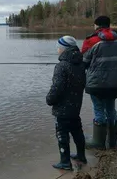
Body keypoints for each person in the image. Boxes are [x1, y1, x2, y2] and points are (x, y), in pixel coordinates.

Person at [81, 16, 117, 150]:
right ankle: (112, 143)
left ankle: (98, 143)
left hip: (96, 84)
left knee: (98, 110)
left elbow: (84, 63)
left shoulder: (90, 41)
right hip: (115, 84)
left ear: (96, 26)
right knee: (111, 109)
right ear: (109, 25)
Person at [46, 36, 87, 171]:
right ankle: (81, 156)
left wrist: (49, 99)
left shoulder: (61, 66)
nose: (57, 50)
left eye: (58, 47)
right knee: (77, 131)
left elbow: (57, 87)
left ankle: (65, 163)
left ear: (63, 49)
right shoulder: (81, 63)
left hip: (62, 109)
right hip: (76, 106)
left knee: (62, 135)